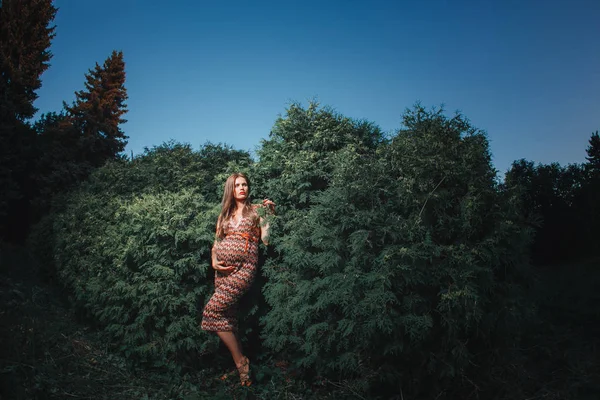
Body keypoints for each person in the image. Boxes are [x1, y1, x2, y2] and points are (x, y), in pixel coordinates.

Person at [201, 172, 274, 386]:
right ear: (230, 190)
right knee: (227, 318)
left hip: (244, 269)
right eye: (237, 185)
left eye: (244, 184)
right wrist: (214, 260)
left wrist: (269, 217)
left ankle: (242, 362)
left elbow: (266, 241)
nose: (242, 188)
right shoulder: (224, 214)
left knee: (212, 311)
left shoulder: (257, 210)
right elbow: (216, 242)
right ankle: (243, 373)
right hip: (222, 271)